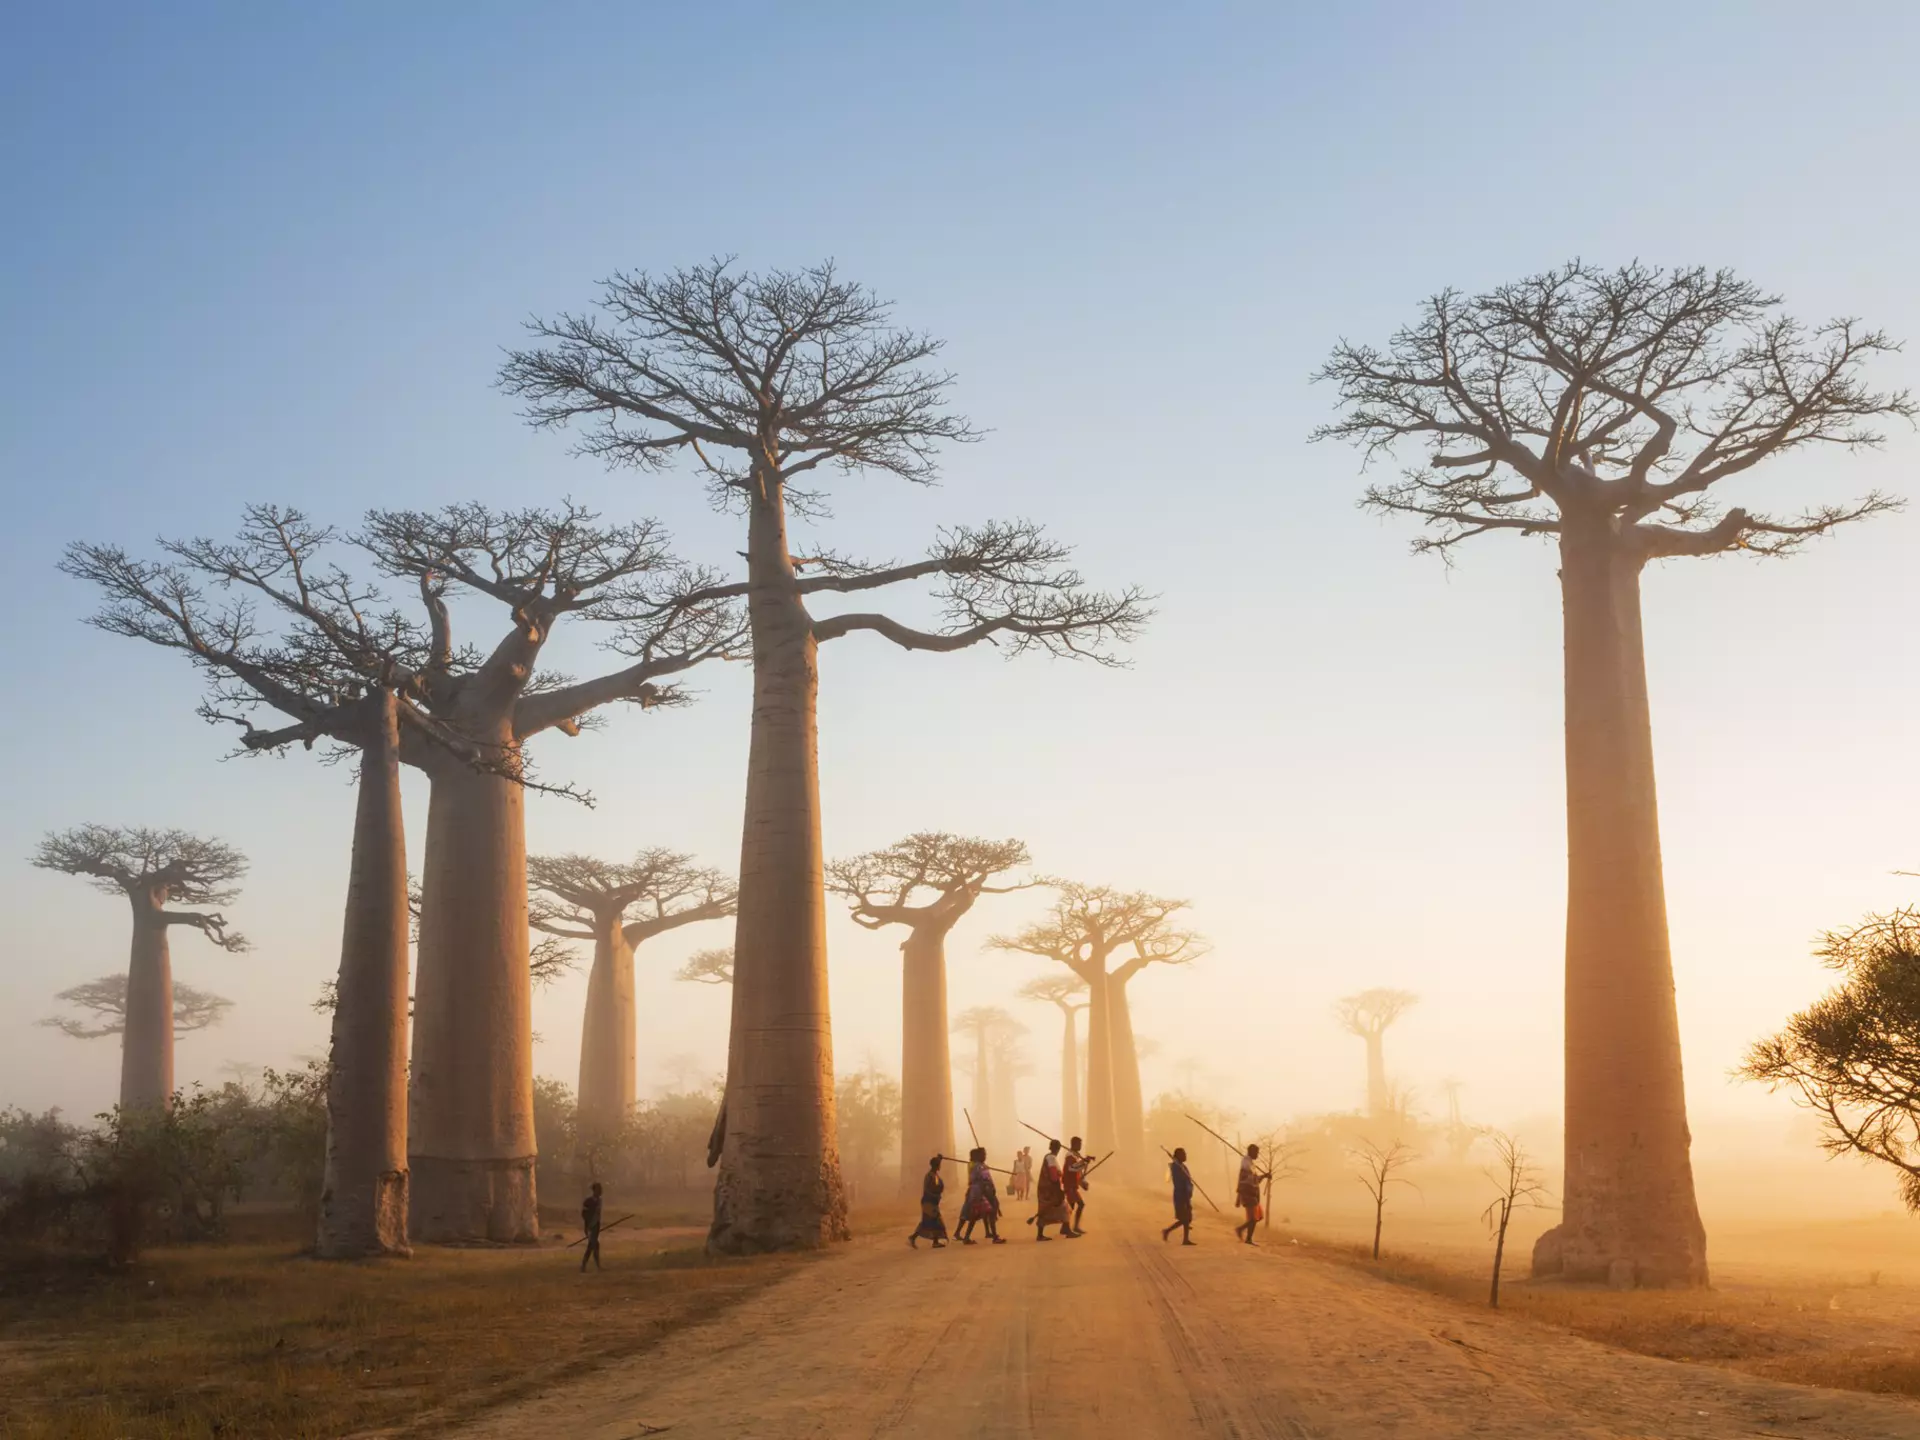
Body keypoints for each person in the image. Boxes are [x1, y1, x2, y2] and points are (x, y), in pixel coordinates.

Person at [1033, 1138, 1071, 1240]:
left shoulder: (1049, 1157)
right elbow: (1053, 1176)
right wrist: (1058, 1190)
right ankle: (1066, 1229)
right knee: (1062, 1207)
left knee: (1047, 1210)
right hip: (1049, 1190)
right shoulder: (1051, 1159)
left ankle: (1065, 1228)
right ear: (1057, 1149)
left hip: (1046, 1189)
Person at [910, 1155, 948, 1249]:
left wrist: (939, 1158)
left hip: (933, 1202)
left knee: (930, 1221)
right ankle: (917, 1238)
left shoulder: (935, 1175)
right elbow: (927, 1189)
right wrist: (934, 1196)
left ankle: (916, 1237)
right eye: (938, 1164)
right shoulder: (929, 1176)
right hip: (928, 1202)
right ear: (935, 1165)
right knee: (933, 1221)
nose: (940, 1166)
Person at [1162, 1147, 1197, 1245]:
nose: (1185, 1156)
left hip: (1185, 1194)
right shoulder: (1176, 1167)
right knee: (1184, 1218)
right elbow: (1180, 1182)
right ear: (1179, 1156)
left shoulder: (1181, 1166)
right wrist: (1186, 1193)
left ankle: (1183, 1238)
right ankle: (1168, 1231)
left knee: (1187, 1218)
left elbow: (1187, 1180)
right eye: (1183, 1154)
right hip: (1181, 1194)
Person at [1234, 1142, 1265, 1244]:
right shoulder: (1246, 1164)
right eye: (1256, 1152)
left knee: (1257, 1217)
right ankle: (1240, 1230)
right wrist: (1239, 1197)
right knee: (1253, 1219)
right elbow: (1244, 1180)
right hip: (1248, 1194)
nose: (1257, 1155)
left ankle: (1248, 1237)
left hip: (1253, 1194)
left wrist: (1264, 1176)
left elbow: (1254, 1179)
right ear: (1251, 1152)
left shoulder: (1250, 1164)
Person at [1063, 1136, 1090, 1235]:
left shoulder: (1074, 1156)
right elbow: (1072, 1168)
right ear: (1074, 1144)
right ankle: (1071, 1227)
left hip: (1072, 1184)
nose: (1080, 1146)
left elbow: (1078, 1171)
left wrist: (1084, 1162)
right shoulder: (1070, 1156)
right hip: (1069, 1185)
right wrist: (1083, 1162)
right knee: (1078, 1205)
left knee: (1071, 1206)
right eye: (1079, 1144)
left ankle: (1066, 1227)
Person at [580, 1181, 604, 1272]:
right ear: (595, 1190)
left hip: (596, 1225)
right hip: (590, 1226)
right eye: (599, 1190)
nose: (601, 1192)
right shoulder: (588, 1201)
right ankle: (585, 1265)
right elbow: (584, 1215)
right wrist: (587, 1227)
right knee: (592, 1245)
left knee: (594, 1245)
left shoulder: (599, 1201)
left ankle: (594, 1266)